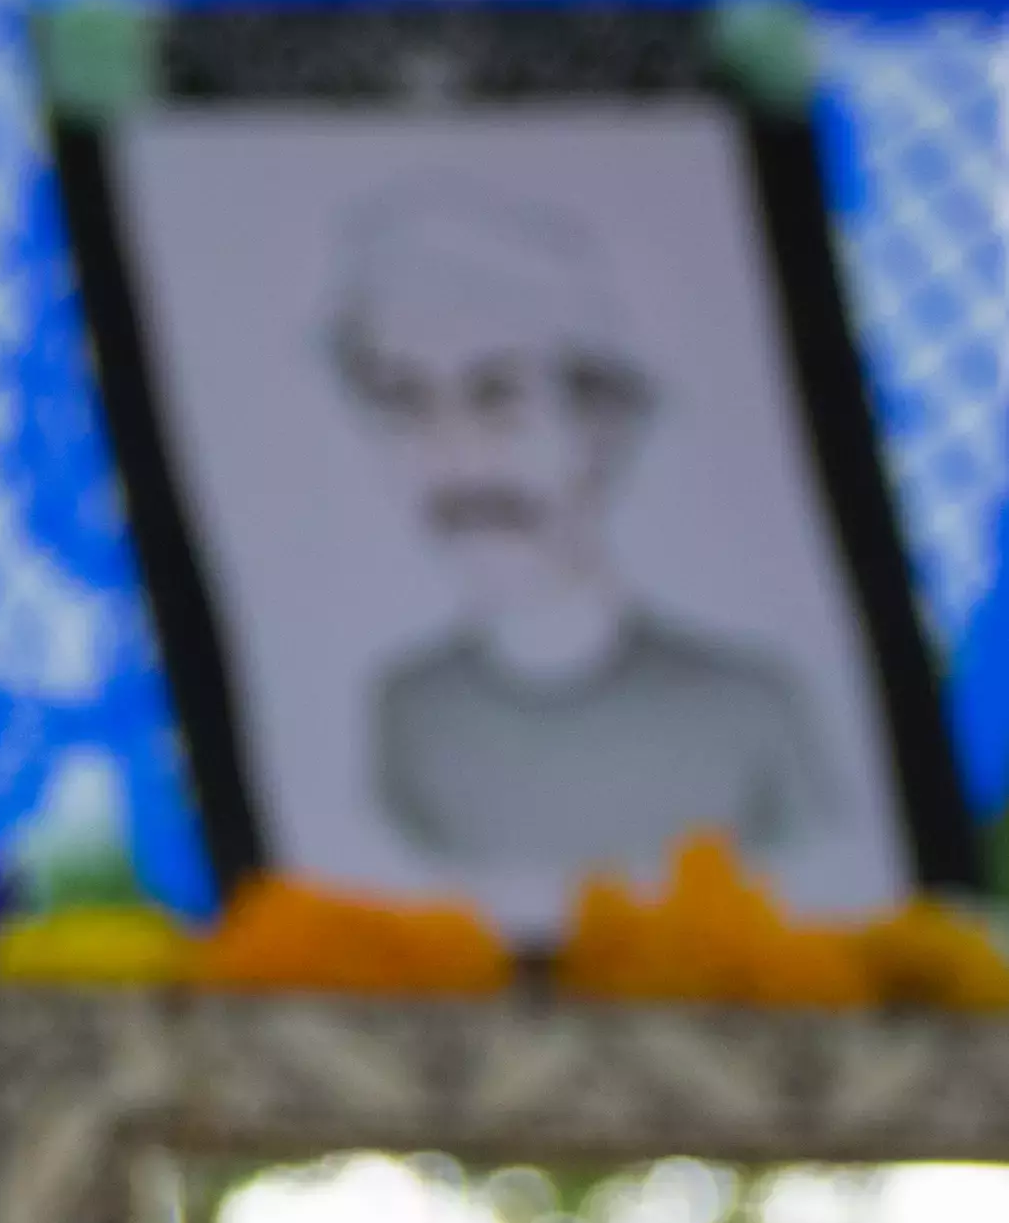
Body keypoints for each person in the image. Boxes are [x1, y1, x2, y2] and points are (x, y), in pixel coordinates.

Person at [325, 180, 838, 878]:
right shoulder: (406, 710)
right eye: (406, 400)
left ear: (601, 420)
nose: (455, 455)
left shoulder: (747, 705)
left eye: (496, 395)